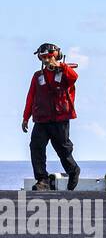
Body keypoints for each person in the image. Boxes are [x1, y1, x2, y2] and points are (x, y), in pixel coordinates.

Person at [21, 43, 80, 192]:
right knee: (36, 147)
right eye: (44, 57)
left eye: (49, 56)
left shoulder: (65, 72)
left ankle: (73, 170)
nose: (47, 60)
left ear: (56, 56)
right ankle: (42, 180)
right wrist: (25, 117)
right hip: (41, 120)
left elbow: (74, 78)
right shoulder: (37, 76)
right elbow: (31, 97)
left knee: (63, 149)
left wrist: (62, 66)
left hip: (60, 119)